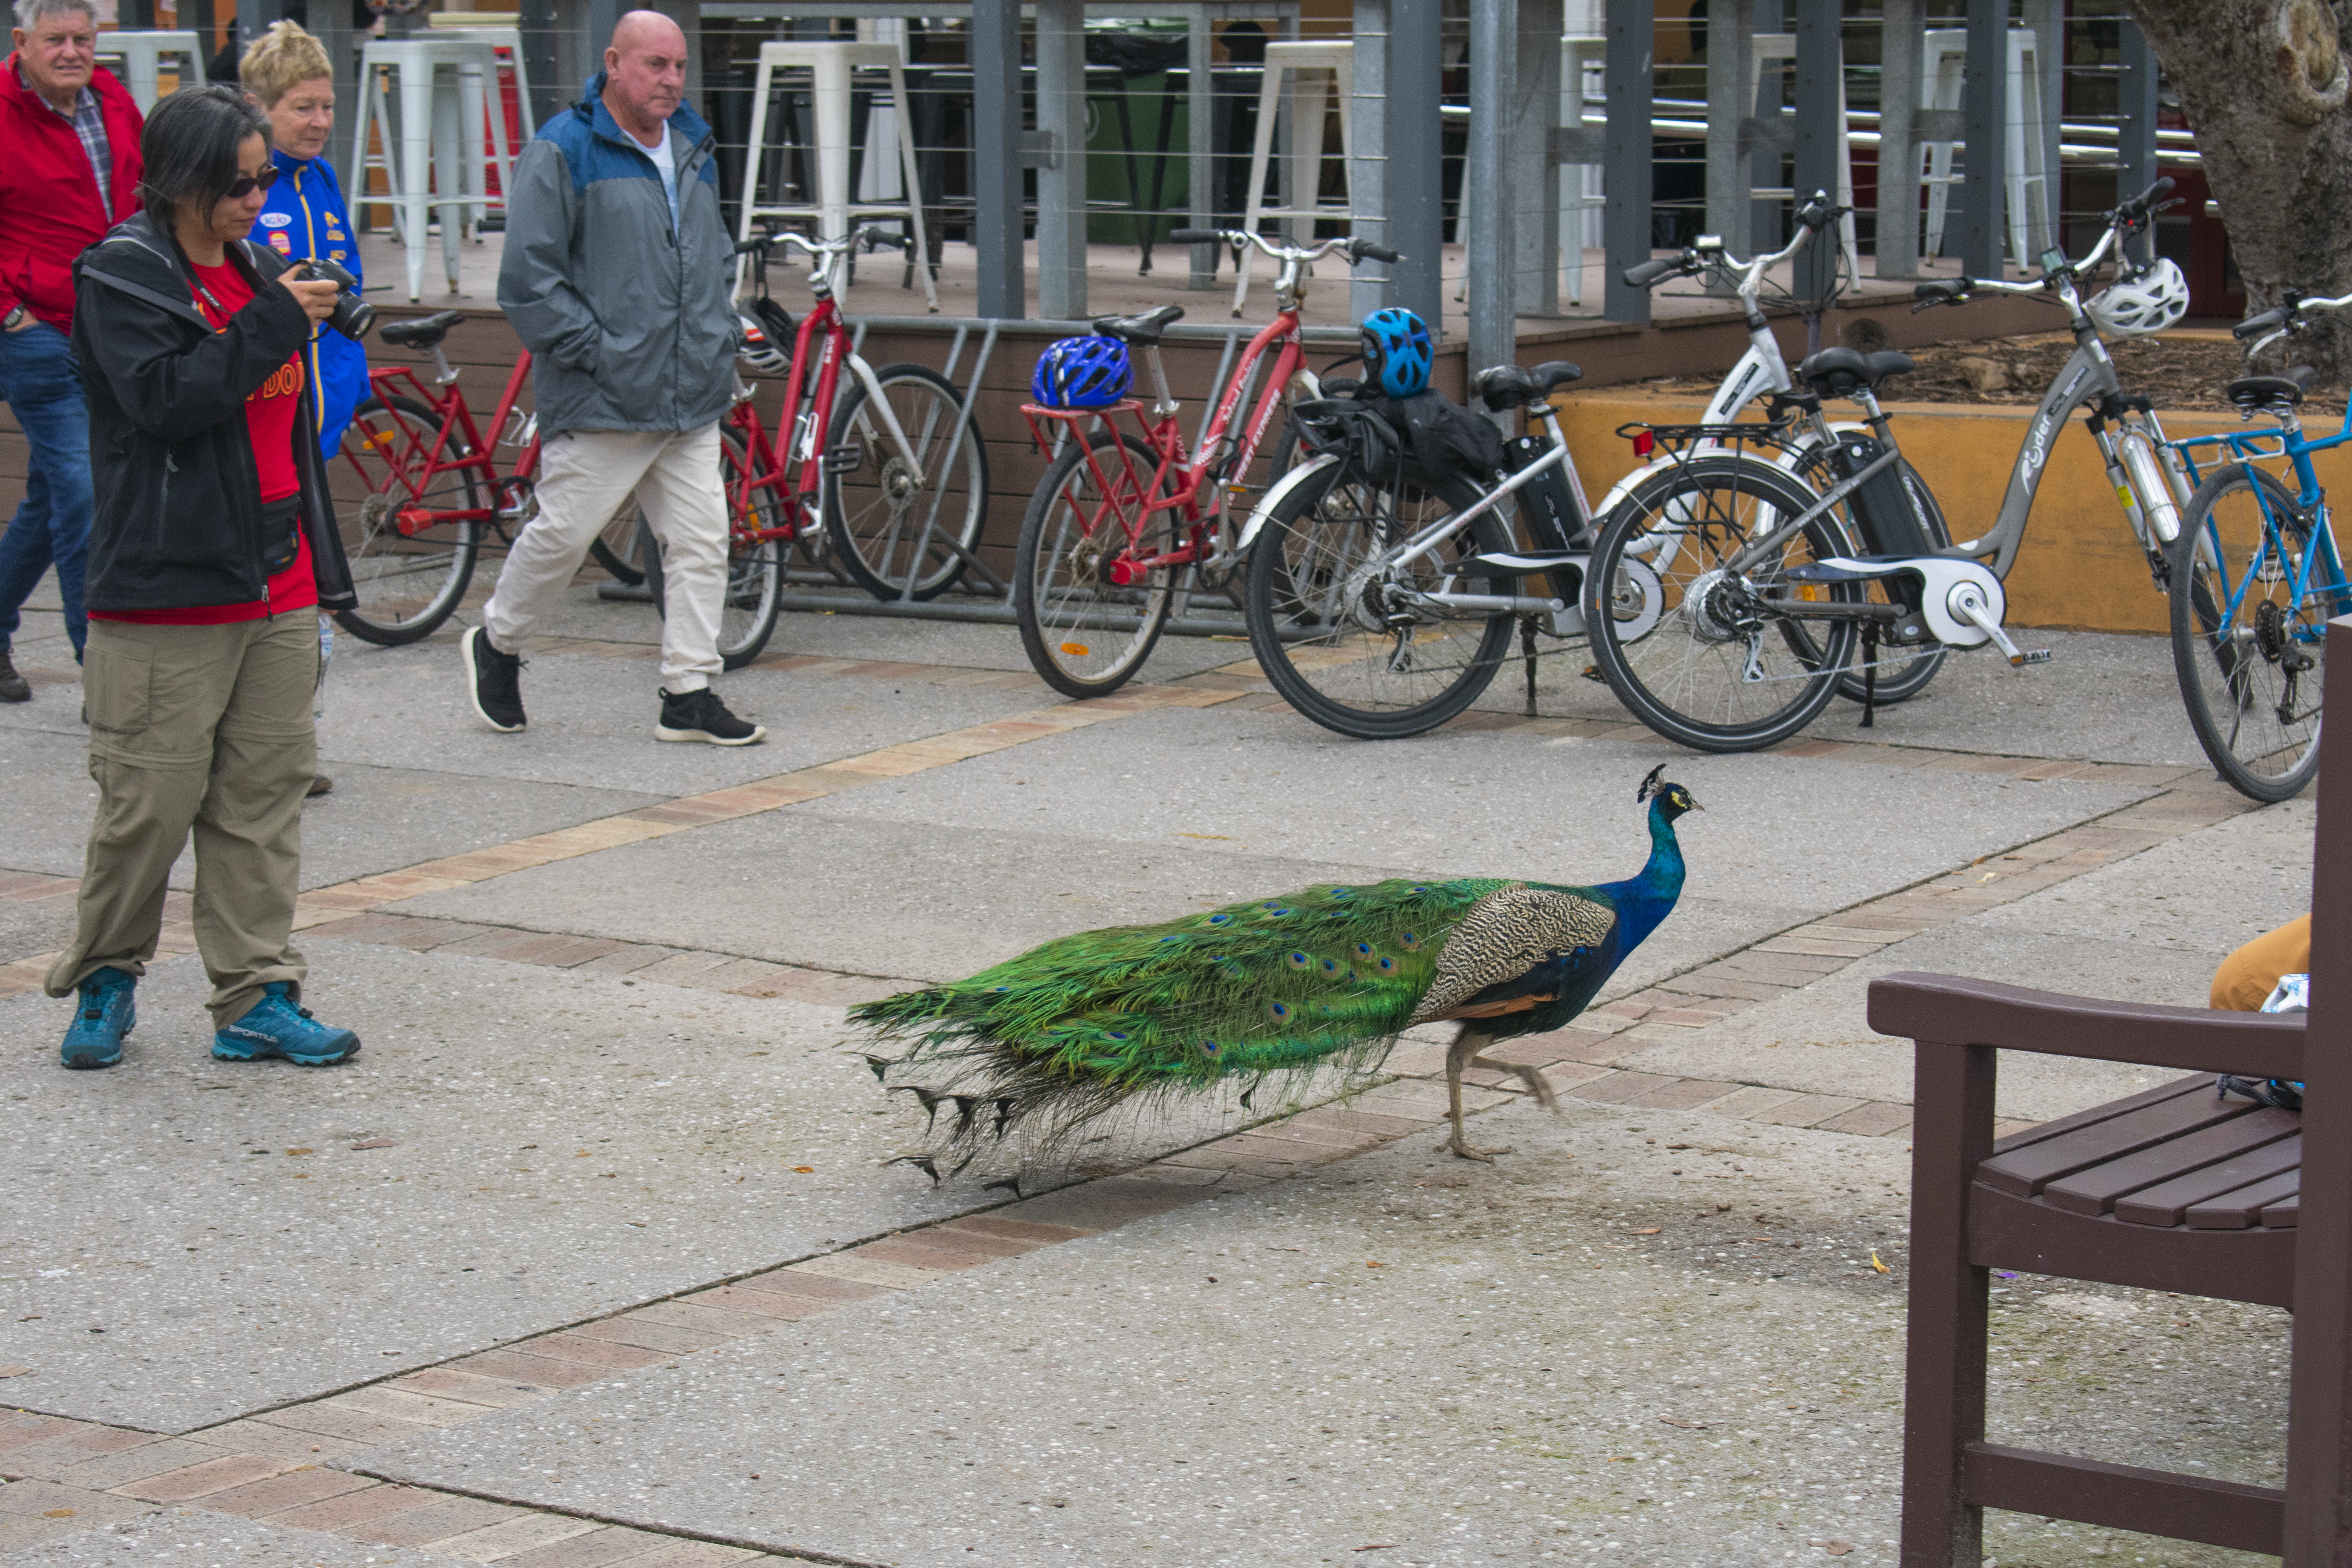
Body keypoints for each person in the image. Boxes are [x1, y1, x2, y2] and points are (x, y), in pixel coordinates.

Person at [46, 83, 362, 1071]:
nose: (254, 199)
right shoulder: (123, 278)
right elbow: (168, 402)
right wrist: (273, 322)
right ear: (180, 179)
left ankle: (257, 994)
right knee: (148, 803)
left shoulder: (257, 267)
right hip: (167, 585)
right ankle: (105, 978)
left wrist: (284, 309)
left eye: (264, 179)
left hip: (277, 574)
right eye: (237, 182)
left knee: (261, 801)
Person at [463, 9, 764, 746]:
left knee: (701, 542)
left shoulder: (693, 143)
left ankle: (689, 691)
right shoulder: (563, 149)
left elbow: (715, 252)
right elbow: (528, 282)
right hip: (605, 395)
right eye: (655, 65)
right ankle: (497, 642)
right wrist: (602, 353)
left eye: (679, 67)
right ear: (613, 63)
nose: (669, 81)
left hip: (691, 392)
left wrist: (722, 332)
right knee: (564, 536)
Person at [0, 0, 143, 703]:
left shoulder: (113, 100)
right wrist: (11, 314)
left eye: (82, 38)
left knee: (53, 495)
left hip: (110, 326)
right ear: (21, 43)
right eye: (54, 39)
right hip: (37, 332)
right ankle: (105, 675)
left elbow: (147, 193)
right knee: (88, 489)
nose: (69, 51)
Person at [241, 18, 365, 798]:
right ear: (260, 106)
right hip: (267, 420)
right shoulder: (248, 185)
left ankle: (292, 737)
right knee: (283, 592)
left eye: (326, 106)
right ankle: (282, 744)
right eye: (301, 108)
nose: (319, 122)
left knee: (303, 589)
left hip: (317, 418)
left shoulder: (320, 178)